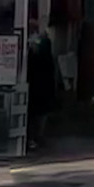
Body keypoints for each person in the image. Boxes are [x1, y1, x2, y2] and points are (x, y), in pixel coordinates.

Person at [26, 15, 60, 150]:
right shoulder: (43, 42)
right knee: (37, 112)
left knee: (37, 112)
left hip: (39, 82)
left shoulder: (42, 43)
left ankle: (35, 137)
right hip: (39, 83)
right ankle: (35, 137)